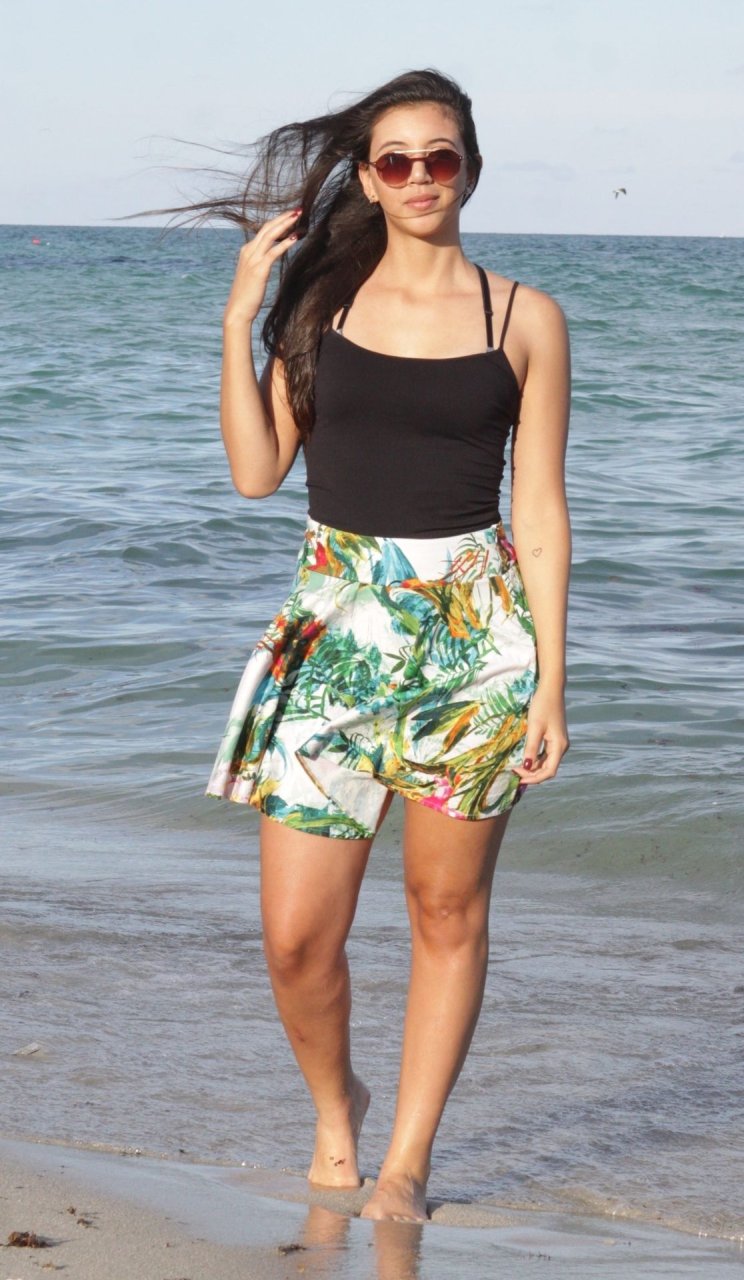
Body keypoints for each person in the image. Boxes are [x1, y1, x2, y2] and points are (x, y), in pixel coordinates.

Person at [190, 68, 570, 1222]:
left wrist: (552, 680)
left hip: (474, 638)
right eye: (395, 159)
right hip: (332, 632)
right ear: (367, 176)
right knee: (297, 941)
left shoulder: (524, 319)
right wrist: (239, 319)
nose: (418, 176)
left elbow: (541, 506)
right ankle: (335, 1108)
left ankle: (404, 1162)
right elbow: (257, 472)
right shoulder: (321, 310)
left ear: (470, 170)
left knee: (447, 914)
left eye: (438, 156)